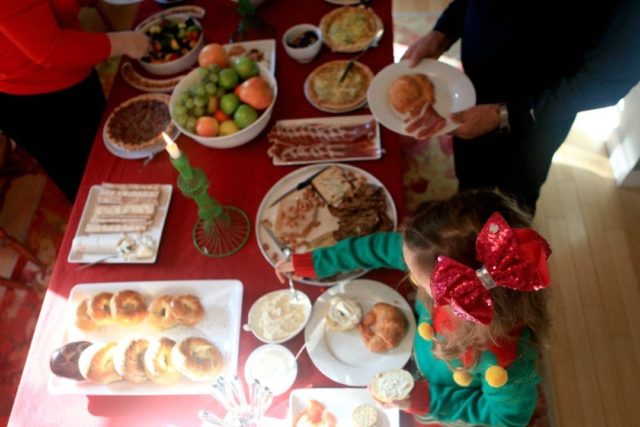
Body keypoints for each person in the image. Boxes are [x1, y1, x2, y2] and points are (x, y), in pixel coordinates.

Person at [276, 189, 551, 427]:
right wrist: (315, 263)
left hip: (442, 393)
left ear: (460, 298)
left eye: (415, 278)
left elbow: (504, 419)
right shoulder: (433, 248)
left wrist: (427, 399)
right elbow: (380, 247)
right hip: (424, 359)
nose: (409, 276)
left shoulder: (508, 364)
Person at [402, 0, 640, 213]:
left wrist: (505, 114)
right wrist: (443, 31)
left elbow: (606, 82)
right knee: (470, 176)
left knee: (516, 197)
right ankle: (467, 219)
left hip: (538, 118)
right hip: (473, 90)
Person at [0, 0, 150, 201]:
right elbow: (51, 50)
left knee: (114, 149)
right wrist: (125, 43)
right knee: (94, 182)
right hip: (38, 100)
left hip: (69, 70)